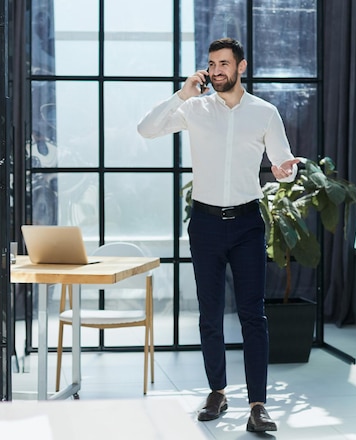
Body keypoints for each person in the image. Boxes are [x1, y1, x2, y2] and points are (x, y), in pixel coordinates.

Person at [137, 37, 299, 432]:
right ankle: (217, 393)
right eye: (212, 63)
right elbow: (146, 130)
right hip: (206, 223)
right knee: (209, 314)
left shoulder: (264, 113)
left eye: (224, 63)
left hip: (247, 222)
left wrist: (284, 172)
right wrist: (181, 93)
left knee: (252, 316)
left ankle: (258, 405)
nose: (216, 70)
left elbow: (284, 163)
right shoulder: (194, 108)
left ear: (241, 67)